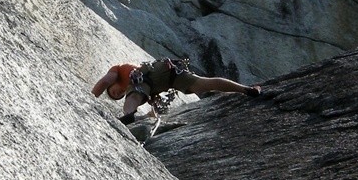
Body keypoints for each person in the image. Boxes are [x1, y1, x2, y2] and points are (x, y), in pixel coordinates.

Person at [92, 58, 261, 124]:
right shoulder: (131, 86)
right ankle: (246, 89)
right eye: (118, 96)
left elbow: (105, 81)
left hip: (145, 76)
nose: (118, 93)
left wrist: (90, 98)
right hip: (167, 74)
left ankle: (128, 114)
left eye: (113, 92)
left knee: (134, 94)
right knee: (204, 83)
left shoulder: (119, 71)